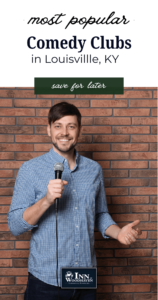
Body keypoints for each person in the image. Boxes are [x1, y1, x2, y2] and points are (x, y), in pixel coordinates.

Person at [7, 102, 141, 300]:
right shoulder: (30, 169)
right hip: (46, 280)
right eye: (58, 126)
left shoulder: (94, 170)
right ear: (49, 130)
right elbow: (15, 225)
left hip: (83, 277)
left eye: (71, 126)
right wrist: (46, 200)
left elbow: (99, 214)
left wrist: (118, 232)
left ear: (79, 131)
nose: (65, 132)